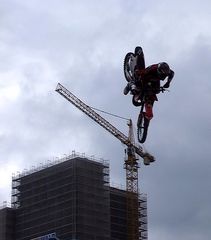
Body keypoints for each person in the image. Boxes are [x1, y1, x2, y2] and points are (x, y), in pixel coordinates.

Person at [123, 47, 174, 120]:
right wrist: (138, 76)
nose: (163, 77)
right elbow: (142, 73)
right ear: (159, 71)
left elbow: (172, 74)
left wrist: (168, 82)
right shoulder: (152, 68)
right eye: (163, 75)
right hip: (145, 76)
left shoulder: (168, 71)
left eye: (165, 76)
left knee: (156, 91)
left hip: (154, 81)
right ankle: (129, 85)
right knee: (138, 80)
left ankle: (148, 110)